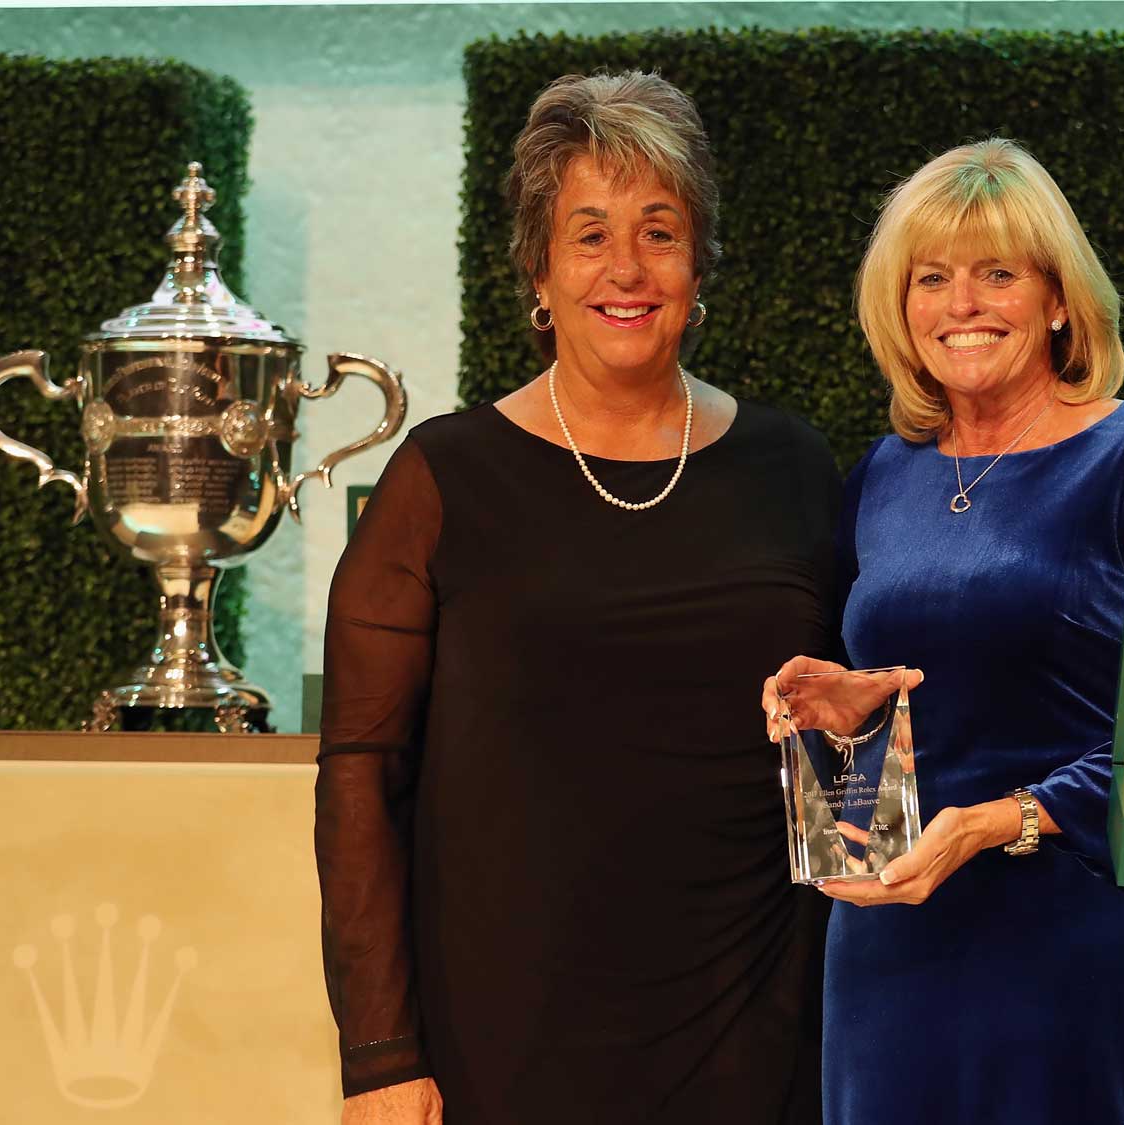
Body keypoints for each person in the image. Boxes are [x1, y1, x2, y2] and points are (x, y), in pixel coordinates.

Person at [314, 71, 837, 1124]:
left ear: (700, 266)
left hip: (761, 1017)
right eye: (589, 235)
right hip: (503, 1029)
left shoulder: (792, 465)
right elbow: (361, 776)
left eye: (659, 230)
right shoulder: (443, 479)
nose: (627, 269)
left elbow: (842, 737)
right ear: (539, 275)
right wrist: (378, 1054)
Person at [760, 138, 1124, 1124]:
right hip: (892, 946)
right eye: (930, 278)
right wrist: (846, 705)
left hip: (1072, 937)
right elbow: (909, 704)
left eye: (995, 274)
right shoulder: (882, 475)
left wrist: (999, 822)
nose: (960, 303)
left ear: (1058, 298)